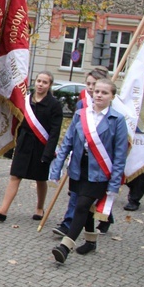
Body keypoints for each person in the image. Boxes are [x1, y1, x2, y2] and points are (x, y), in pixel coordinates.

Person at [48, 79, 128, 263]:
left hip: (100, 171)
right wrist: (56, 169)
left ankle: (65, 247)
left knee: (82, 206)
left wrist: (114, 184)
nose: (99, 95)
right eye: (97, 91)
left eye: (104, 92)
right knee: (88, 207)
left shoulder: (117, 120)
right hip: (79, 167)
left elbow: (120, 155)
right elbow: (67, 142)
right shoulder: (80, 114)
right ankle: (91, 242)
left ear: (112, 97)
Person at [0, 71, 63, 222]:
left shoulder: (54, 105)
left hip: (41, 146)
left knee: (40, 179)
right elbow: (17, 123)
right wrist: (12, 145)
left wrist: (48, 153)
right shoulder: (26, 100)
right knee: (15, 176)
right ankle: (3, 210)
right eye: (39, 81)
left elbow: (55, 132)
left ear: (50, 85)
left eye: (45, 82)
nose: (41, 84)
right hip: (24, 143)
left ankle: (40, 208)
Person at [52, 66, 109, 236]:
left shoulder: (111, 109)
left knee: (93, 198)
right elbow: (72, 133)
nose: (91, 88)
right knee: (77, 195)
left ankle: (106, 217)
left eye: (94, 84)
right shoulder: (81, 105)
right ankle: (68, 223)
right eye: (88, 84)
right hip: (80, 159)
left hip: (99, 161)